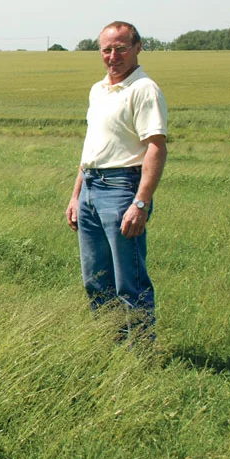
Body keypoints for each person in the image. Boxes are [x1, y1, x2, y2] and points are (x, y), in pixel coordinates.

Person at [65, 21, 167, 343]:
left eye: (121, 48)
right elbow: (91, 147)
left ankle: (140, 355)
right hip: (91, 189)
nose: (114, 56)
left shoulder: (143, 89)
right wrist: (75, 196)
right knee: (96, 280)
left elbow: (155, 147)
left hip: (122, 189)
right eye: (107, 49)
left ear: (138, 47)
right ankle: (109, 345)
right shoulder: (98, 90)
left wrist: (141, 202)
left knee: (129, 281)